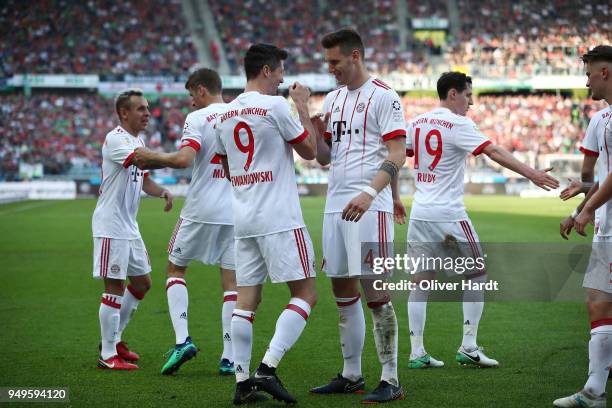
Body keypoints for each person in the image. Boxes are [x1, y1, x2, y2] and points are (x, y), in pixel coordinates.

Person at [404, 72, 558, 370]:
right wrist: (533, 174)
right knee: (477, 273)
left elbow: (402, 153)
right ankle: (469, 346)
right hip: (449, 214)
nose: (471, 102)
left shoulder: (418, 122)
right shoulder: (459, 124)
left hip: (420, 212)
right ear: (452, 94)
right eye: (468, 95)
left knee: (420, 282)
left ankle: (416, 352)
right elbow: (493, 151)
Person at [214, 43, 318, 405]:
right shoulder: (276, 105)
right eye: (280, 73)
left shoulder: (224, 114)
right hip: (280, 217)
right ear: (266, 71)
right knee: (305, 294)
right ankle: (267, 368)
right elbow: (310, 152)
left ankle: (242, 383)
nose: (282, 80)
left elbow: (226, 166)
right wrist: (303, 106)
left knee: (247, 301)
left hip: (243, 218)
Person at [310, 28, 407, 403]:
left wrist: (372, 193)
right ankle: (351, 374)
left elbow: (397, 153)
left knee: (376, 291)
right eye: (327, 62)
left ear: (355, 56)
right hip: (335, 206)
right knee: (341, 289)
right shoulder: (333, 99)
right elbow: (322, 157)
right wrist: (310, 120)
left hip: (370, 207)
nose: (330, 68)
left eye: (335, 61)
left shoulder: (385, 96)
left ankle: (391, 378)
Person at [132, 68, 237, 376]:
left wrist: (150, 156)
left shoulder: (199, 118)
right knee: (231, 284)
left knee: (175, 268)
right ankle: (229, 357)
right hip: (235, 210)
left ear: (202, 90)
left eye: (192, 95)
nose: (191, 102)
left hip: (202, 208)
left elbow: (184, 160)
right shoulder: (239, 113)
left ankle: (182, 341)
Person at [92, 88, 173, 370]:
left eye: (147, 108)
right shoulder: (116, 139)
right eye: (140, 109)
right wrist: (180, 157)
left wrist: (162, 192)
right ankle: (107, 354)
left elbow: (144, 178)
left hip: (129, 226)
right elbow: (142, 160)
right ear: (124, 113)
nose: (147, 113)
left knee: (142, 283)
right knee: (114, 287)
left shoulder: (137, 140)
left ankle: (115, 340)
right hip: (111, 224)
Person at [555, 45, 612, 408]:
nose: (585, 79)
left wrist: (585, 210)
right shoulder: (602, 118)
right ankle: (594, 390)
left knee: (600, 303)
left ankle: (593, 390)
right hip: (606, 223)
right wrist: (584, 201)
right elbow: (600, 177)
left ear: (605, 72)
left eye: (589, 73)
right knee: (598, 303)